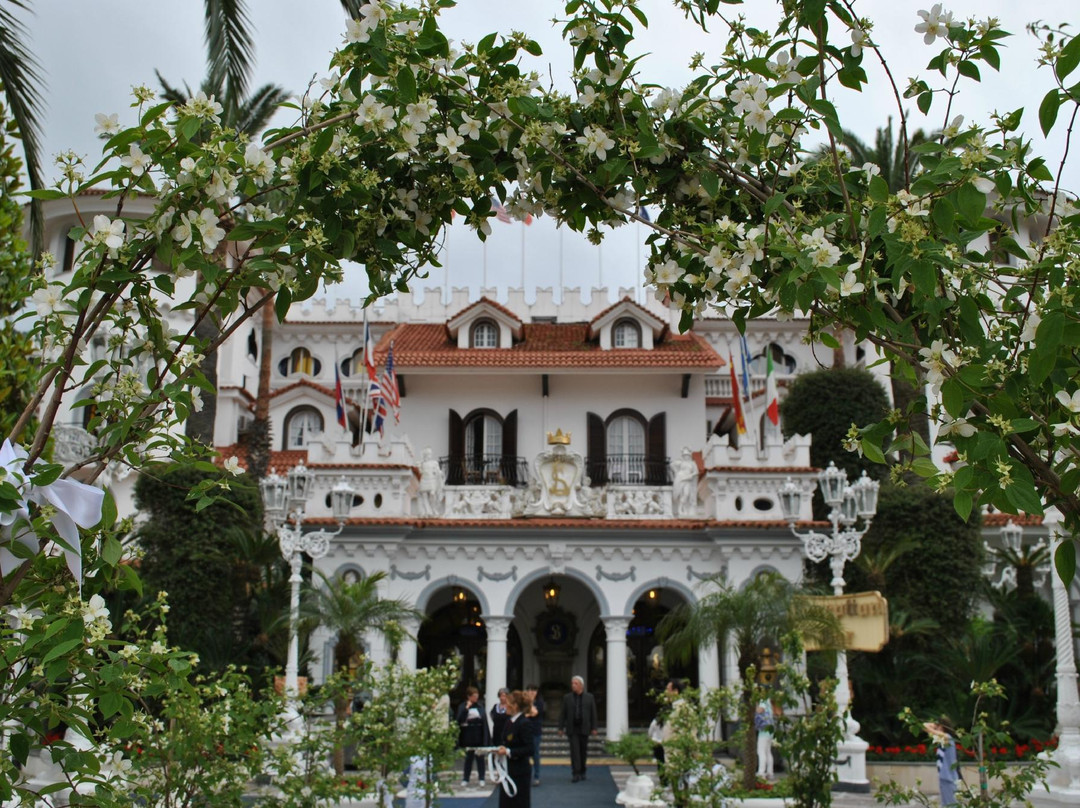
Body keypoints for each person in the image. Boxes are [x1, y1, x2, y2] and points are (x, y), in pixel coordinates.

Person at [496, 690, 535, 808]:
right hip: (507, 769)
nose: (505, 705)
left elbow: (530, 749)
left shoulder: (524, 723)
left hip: (520, 771)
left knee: (519, 803)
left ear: (515, 706)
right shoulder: (509, 721)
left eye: (508, 703)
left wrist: (509, 752)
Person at [558, 675, 598, 782]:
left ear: (581, 685)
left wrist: (594, 727)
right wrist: (560, 728)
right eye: (572, 683)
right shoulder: (567, 698)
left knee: (583, 751)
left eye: (576, 683)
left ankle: (582, 771)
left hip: (584, 728)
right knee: (574, 751)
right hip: (572, 728)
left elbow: (593, 713)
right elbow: (563, 714)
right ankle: (575, 773)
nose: (573, 685)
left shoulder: (589, 697)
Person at [456, 687, 490, 789]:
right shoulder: (463, 706)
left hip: (478, 734)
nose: (476, 698)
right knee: (468, 758)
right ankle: (466, 778)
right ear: (469, 696)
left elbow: (483, 720)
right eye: (474, 696)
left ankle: (482, 778)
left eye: (477, 696)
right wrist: (466, 708)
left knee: (480, 758)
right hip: (468, 734)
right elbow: (459, 720)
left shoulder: (480, 706)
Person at [925, 719, 959, 807]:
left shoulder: (947, 737)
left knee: (950, 804)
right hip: (944, 777)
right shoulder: (944, 739)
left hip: (949, 777)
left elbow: (925, 726)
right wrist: (936, 725)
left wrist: (934, 726)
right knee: (946, 804)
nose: (936, 728)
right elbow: (924, 726)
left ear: (943, 727)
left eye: (938, 726)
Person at [525, 684, 545, 786]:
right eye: (529, 690)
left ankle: (536, 776)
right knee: (525, 754)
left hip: (535, 730)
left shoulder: (540, 702)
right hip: (525, 730)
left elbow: (535, 713)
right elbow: (523, 713)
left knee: (535, 753)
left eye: (534, 690)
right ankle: (525, 775)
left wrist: (529, 711)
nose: (532, 692)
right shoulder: (524, 702)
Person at [672, 447, 698, 516]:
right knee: (681, 494)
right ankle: (681, 509)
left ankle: (682, 507)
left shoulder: (692, 463)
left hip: (688, 479)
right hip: (681, 479)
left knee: (687, 494)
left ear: (689, 456)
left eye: (687, 455)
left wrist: (691, 475)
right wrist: (677, 473)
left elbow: (696, 472)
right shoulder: (681, 462)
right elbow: (672, 465)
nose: (686, 456)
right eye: (684, 455)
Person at [754, 700, 775, 779]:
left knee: (761, 751)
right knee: (768, 751)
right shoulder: (769, 701)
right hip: (770, 730)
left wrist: (754, 707)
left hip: (764, 730)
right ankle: (770, 772)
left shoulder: (763, 700)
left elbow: (760, 710)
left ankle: (761, 772)